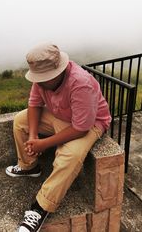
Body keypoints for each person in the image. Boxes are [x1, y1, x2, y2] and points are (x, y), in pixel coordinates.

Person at [6, 44, 111, 232]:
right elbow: (34, 104)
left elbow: (80, 128)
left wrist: (43, 143)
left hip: (90, 123)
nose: (38, 82)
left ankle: (40, 208)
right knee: (20, 120)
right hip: (62, 115)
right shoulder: (42, 79)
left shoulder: (81, 83)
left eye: (42, 79)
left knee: (69, 156)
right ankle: (29, 166)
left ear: (58, 71)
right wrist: (32, 137)